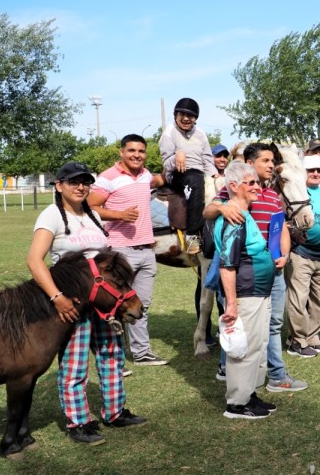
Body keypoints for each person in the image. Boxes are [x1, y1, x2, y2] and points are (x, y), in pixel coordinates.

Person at [27, 161, 145, 445]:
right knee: (75, 364)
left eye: (85, 182)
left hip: (102, 299)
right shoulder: (51, 215)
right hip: (73, 301)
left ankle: (115, 412)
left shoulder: (92, 214)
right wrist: (57, 297)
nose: (81, 187)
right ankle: (78, 422)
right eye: (73, 182)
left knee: (111, 355)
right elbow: (34, 260)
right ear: (59, 185)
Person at [204, 143, 307, 392]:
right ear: (250, 164)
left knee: (270, 325)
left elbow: (280, 227)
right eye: (266, 160)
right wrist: (221, 207)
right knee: (239, 322)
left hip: (273, 271)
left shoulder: (273, 196)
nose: (272, 165)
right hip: (243, 273)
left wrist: (284, 254)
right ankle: (273, 376)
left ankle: (257, 373)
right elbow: (206, 212)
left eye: (273, 161)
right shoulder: (234, 194)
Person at [89, 135, 169, 367]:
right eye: (132, 150)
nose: (137, 155)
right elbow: (91, 206)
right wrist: (119, 215)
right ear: (121, 152)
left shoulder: (145, 176)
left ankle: (142, 352)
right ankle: (112, 357)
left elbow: (161, 180)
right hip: (120, 251)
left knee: (140, 305)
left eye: (141, 151)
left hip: (146, 250)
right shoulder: (108, 177)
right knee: (113, 305)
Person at [214, 161, 278, 419]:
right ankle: (237, 403)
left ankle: (249, 393)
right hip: (245, 292)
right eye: (250, 183)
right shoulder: (234, 218)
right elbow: (227, 264)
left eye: (257, 182)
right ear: (233, 186)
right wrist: (231, 303)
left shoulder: (244, 213)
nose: (256, 187)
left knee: (258, 344)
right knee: (245, 347)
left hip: (259, 291)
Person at [284, 155, 320, 357]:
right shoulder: (295, 192)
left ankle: (313, 337)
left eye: (319, 171)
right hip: (301, 254)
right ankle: (297, 340)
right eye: (311, 170)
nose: (315, 174)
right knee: (299, 299)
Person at [159, 97, 218, 255]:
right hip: (178, 174)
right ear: (175, 115)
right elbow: (166, 163)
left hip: (199, 173)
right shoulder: (169, 133)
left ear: (195, 119)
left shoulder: (200, 133)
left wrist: (215, 177)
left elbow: (207, 158)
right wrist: (177, 155)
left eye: (190, 116)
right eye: (182, 114)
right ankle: (192, 235)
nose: (186, 118)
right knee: (195, 182)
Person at [195, 144, 230, 347]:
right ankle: (205, 333)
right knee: (205, 284)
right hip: (209, 229)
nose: (222, 159)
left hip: (226, 230)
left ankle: (223, 331)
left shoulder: (232, 177)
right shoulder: (205, 180)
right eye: (218, 156)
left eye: (225, 156)